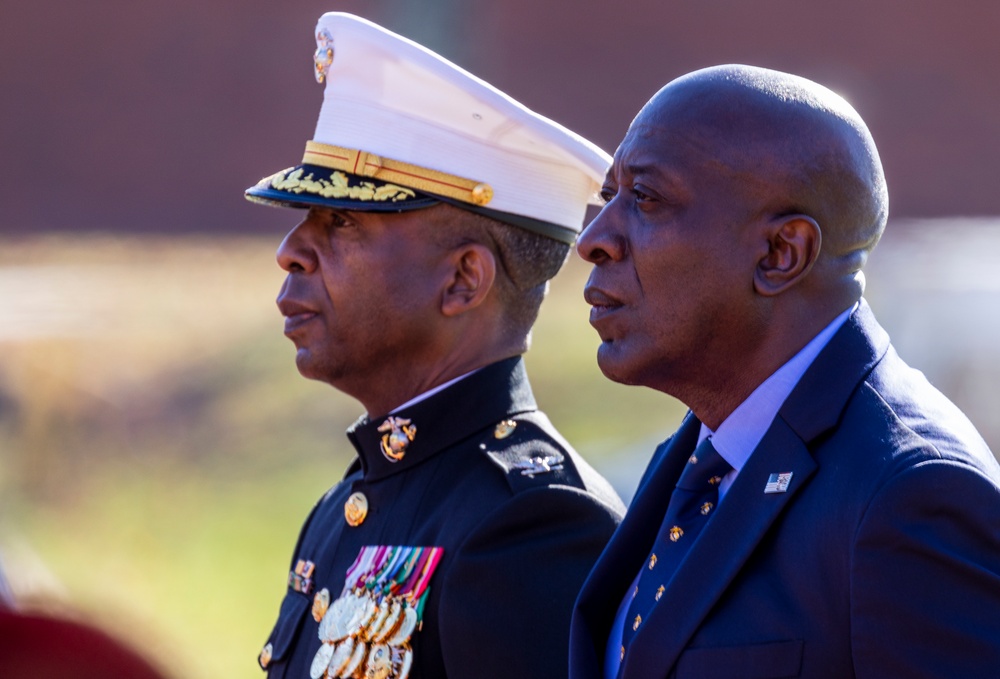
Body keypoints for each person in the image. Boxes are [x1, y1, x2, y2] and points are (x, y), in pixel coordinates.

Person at [568, 64, 1000, 679]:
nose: (594, 238)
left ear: (781, 254)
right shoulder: (703, 454)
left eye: (645, 199)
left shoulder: (910, 492)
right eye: (610, 195)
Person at [244, 12, 625, 679]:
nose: (291, 251)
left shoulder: (533, 524)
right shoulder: (352, 500)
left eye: (341, 222)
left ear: (462, 279)